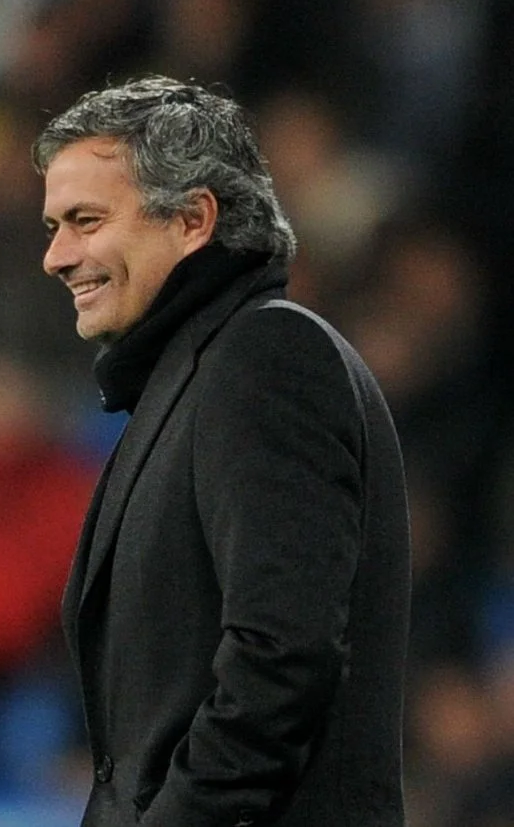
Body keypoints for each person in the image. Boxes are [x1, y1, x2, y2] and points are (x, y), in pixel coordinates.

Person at [34, 76, 410, 826]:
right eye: (54, 226)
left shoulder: (267, 356)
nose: (56, 256)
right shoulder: (188, 380)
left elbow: (281, 660)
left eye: (86, 220)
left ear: (193, 219)